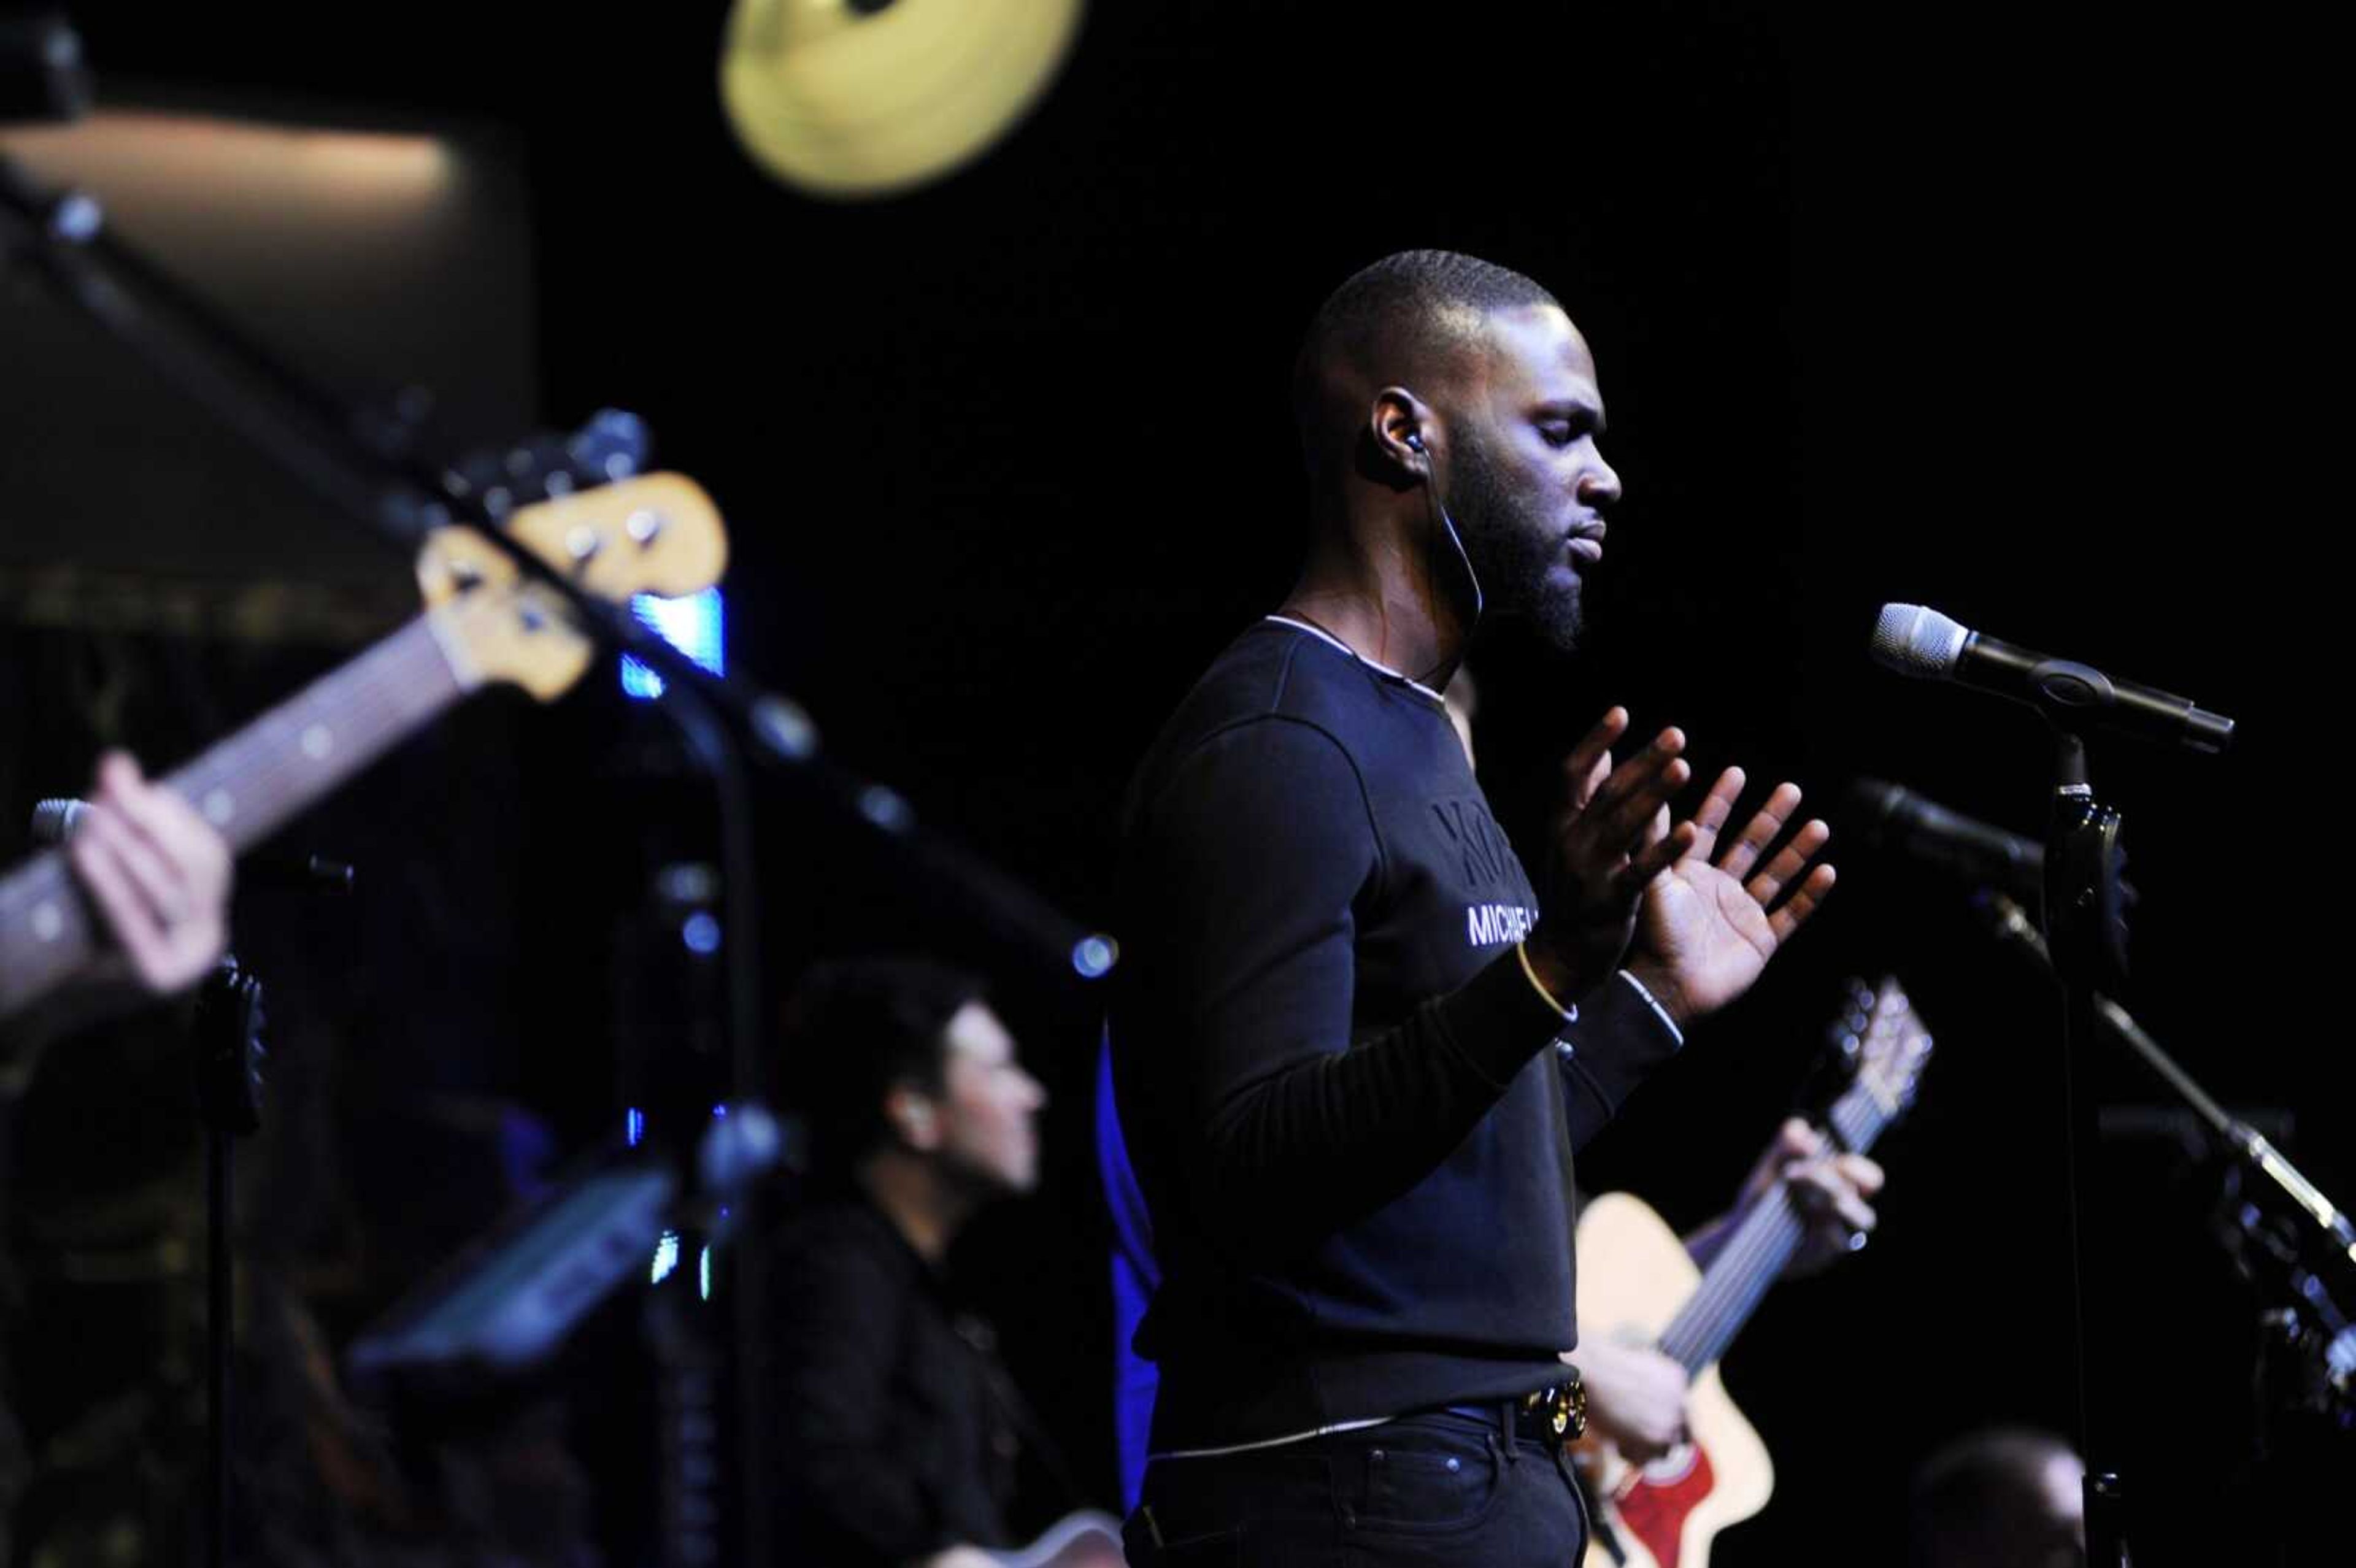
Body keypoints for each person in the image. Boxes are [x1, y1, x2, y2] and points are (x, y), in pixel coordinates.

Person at [1109, 249, 1834, 1564]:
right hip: (1346, 1494)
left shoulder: (1421, 741)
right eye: (1561, 431)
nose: (1605, 478)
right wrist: (1551, 963)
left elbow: (1461, 1151)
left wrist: (1646, 1000)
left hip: (1476, 1467)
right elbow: (1251, 1164)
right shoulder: (1279, 742)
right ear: (1405, 432)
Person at [762, 957, 1072, 1568]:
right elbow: (821, 1458)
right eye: (1001, 1067)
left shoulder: (929, 1292)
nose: (1032, 1095)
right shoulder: (840, 1265)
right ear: (913, 1111)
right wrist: (930, 1549)